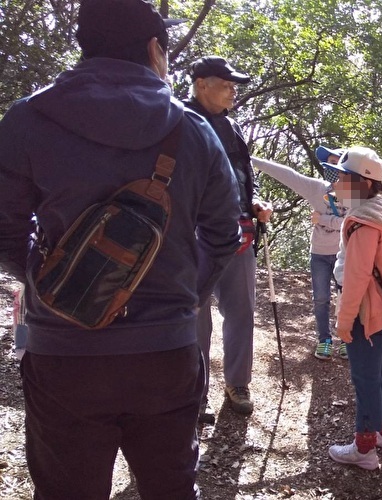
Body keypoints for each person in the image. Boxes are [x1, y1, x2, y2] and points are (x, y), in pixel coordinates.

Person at [0, 0, 242, 497]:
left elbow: (3, 227)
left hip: (64, 353)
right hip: (166, 353)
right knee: (170, 487)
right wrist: (182, 293)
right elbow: (223, 232)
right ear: (154, 50)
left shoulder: (27, 118)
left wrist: (51, 284)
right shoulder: (193, 131)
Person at [186, 55, 273, 421]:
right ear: (201, 83)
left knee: (241, 311)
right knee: (195, 314)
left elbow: (239, 173)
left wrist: (253, 201)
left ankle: (237, 383)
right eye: (226, 84)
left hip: (238, 230)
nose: (233, 90)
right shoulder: (180, 121)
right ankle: (194, 389)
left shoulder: (232, 126)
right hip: (193, 235)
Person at [326, 146, 382, 470]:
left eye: (342, 178)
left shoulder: (364, 222)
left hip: (366, 311)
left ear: (363, 182)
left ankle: (364, 448)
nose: (336, 185)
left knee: (365, 377)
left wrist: (344, 322)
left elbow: (357, 278)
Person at [251, 149, 347, 361]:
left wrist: (322, 219)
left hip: (344, 253)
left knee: (346, 298)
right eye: (329, 163)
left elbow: (352, 224)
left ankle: (347, 340)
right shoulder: (317, 188)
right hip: (320, 253)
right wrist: (250, 159)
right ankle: (325, 340)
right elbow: (288, 175)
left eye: (337, 162)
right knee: (321, 298)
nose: (332, 167)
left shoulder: (356, 194)